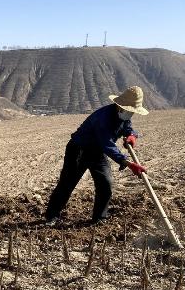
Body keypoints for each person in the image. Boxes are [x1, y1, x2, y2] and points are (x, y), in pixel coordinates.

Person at [45, 86, 149, 226]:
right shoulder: (103, 118)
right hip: (79, 150)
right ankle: (52, 216)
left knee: (105, 183)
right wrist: (129, 164)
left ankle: (99, 218)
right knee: (67, 183)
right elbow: (107, 145)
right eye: (129, 110)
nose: (130, 114)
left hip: (97, 152)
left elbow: (127, 125)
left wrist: (131, 135)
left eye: (133, 112)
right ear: (120, 106)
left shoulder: (123, 114)